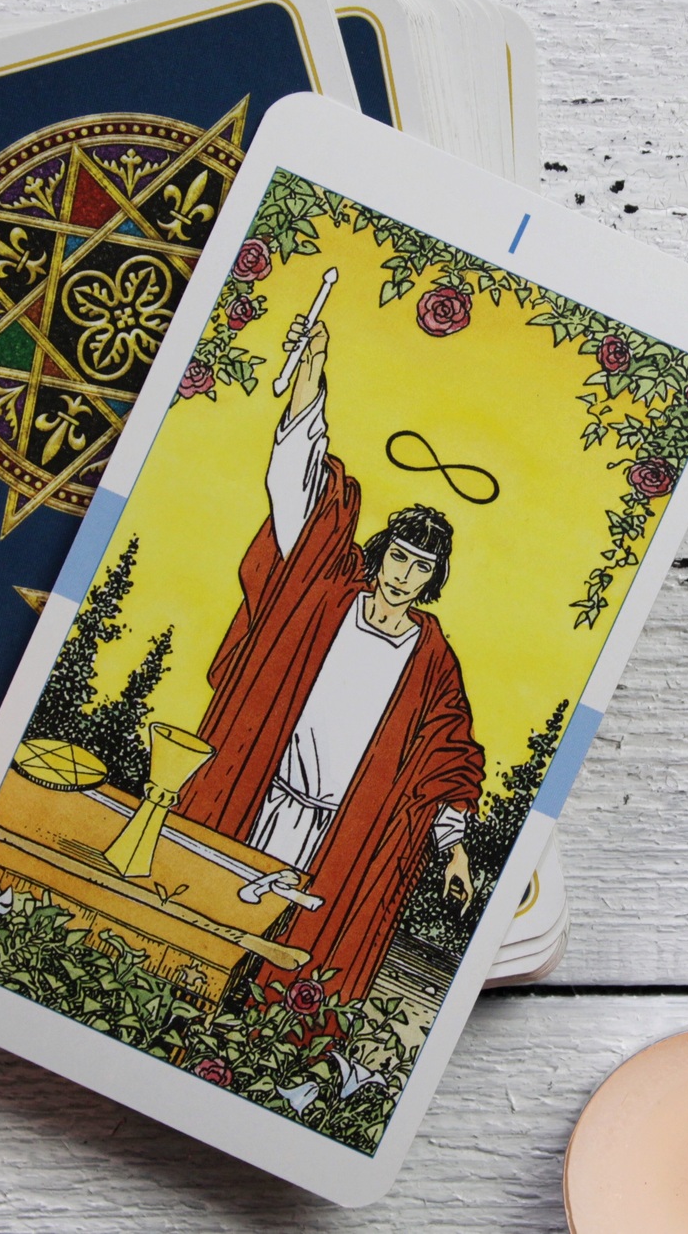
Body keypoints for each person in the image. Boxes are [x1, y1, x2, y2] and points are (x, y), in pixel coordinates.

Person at [177, 313, 484, 1006]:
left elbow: (448, 757)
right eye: (399, 557)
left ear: (433, 580)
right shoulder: (321, 593)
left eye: (421, 567)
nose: (404, 574)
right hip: (258, 796)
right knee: (209, 923)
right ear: (381, 554)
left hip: (336, 837)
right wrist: (310, 375)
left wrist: (455, 848)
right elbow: (300, 490)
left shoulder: (432, 660)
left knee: (281, 961)